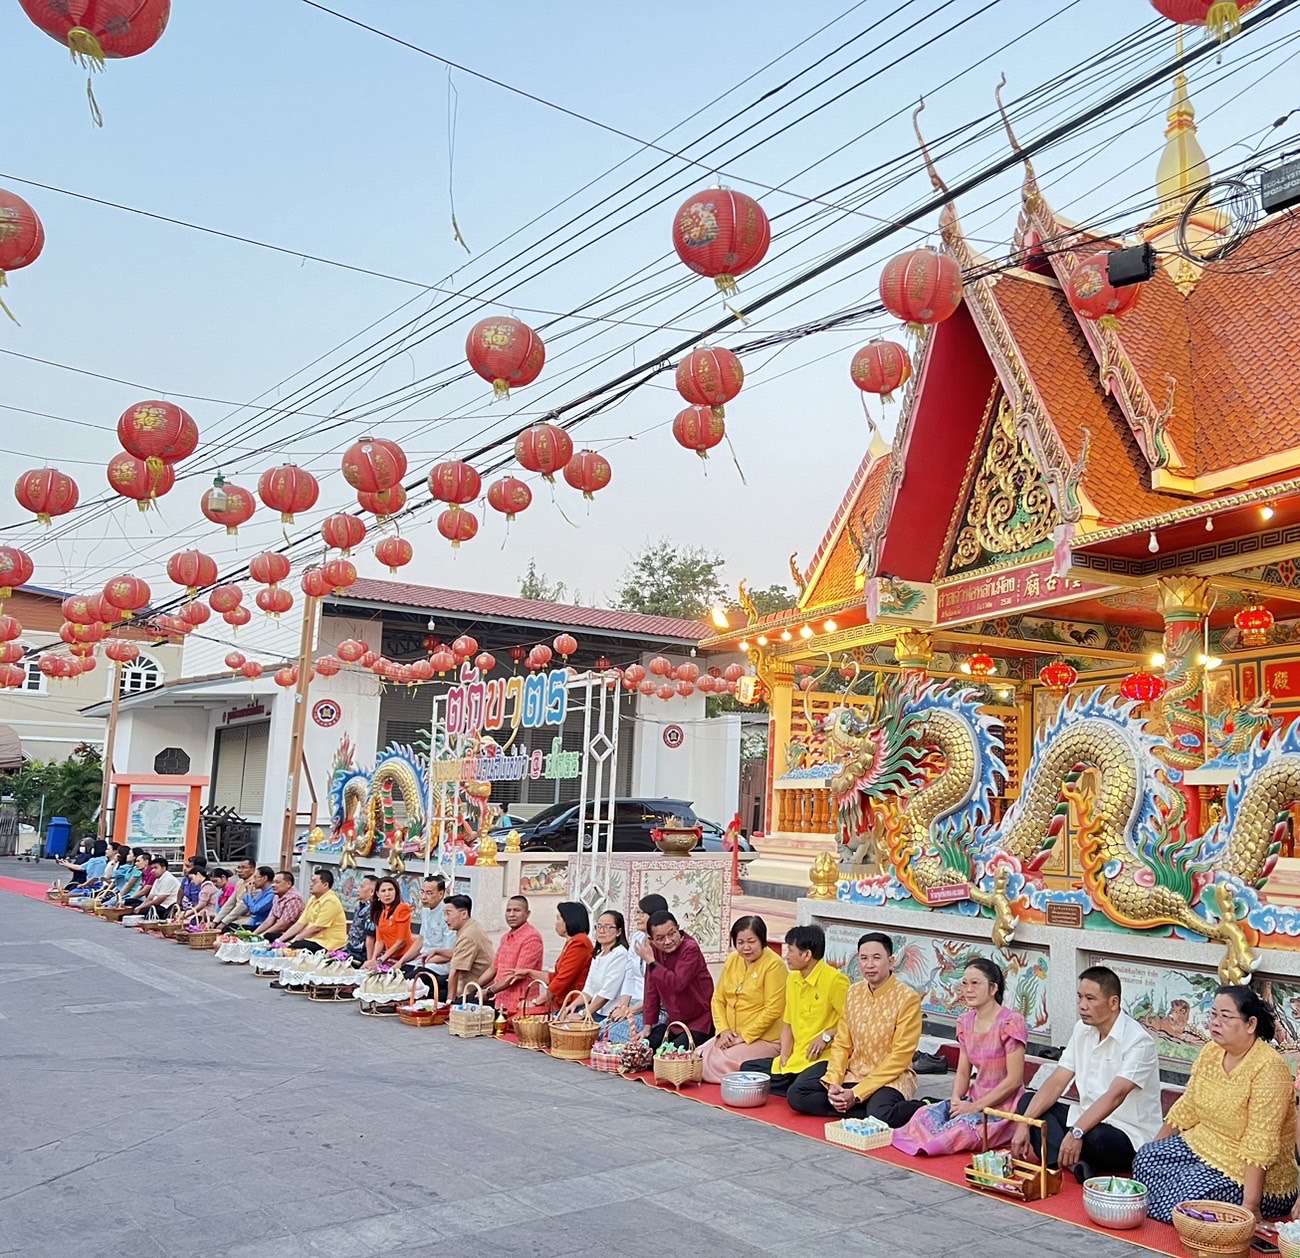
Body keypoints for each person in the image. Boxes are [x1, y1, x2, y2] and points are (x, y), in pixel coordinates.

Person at [1133, 985, 1297, 1223]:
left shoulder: (1269, 1068)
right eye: (1213, 1015)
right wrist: (1154, 1149)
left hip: (1248, 1174)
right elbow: (1188, 1105)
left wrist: (1251, 1207)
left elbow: (1260, 1142)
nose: (1215, 1023)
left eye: (1225, 1016)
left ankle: (1180, 1209)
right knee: (1145, 1159)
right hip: (1203, 1144)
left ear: (1251, 1025)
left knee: (1190, 1196)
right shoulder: (1211, 1050)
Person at [1013, 965, 1161, 1180]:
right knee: (1028, 1102)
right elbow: (1057, 1082)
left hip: (1126, 1132)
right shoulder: (1082, 1030)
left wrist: (1077, 1132)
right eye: (1080, 997)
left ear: (1113, 1003)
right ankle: (1071, 1164)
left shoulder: (1138, 1041)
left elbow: (1115, 1096)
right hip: (1085, 1117)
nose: (1082, 1006)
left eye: (1090, 999)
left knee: (1097, 1137)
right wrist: (1024, 1122)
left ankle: (1066, 1154)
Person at [786, 932, 923, 1128]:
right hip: (854, 1070)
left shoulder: (907, 999)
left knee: (882, 1115)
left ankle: (925, 1106)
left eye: (877, 958)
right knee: (797, 1095)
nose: (869, 965)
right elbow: (842, 1043)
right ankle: (854, 1105)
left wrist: (858, 1093)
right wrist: (834, 1082)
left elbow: (900, 1057)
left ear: (891, 961)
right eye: (863, 958)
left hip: (891, 1077)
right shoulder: (853, 992)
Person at [893, 959, 1028, 1155]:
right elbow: (963, 1073)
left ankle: (938, 1140)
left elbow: (1014, 1081)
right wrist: (956, 1100)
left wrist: (975, 1107)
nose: (968, 989)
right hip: (973, 1098)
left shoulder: (1011, 1022)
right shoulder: (965, 1022)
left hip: (1003, 1109)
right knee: (923, 1115)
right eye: (964, 983)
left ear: (993, 988)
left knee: (961, 1129)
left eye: (975, 983)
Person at [741, 924, 850, 1096]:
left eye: (790, 951)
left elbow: (852, 1022)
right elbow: (788, 1024)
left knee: (797, 1094)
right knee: (747, 1069)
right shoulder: (792, 979)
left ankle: (801, 1086)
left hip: (823, 1057)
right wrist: (784, 1055)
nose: (786, 957)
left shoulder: (835, 981)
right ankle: (794, 1080)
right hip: (798, 1055)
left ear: (807, 955)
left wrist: (826, 1036)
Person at [699, 915, 786, 1083]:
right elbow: (718, 999)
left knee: (717, 1062)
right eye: (740, 942)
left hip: (765, 1039)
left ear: (762, 940)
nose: (746, 948)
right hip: (731, 1034)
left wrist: (744, 1036)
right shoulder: (733, 959)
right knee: (698, 1055)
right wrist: (723, 1030)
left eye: (751, 941)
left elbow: (773, 1010)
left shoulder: (774, 965)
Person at [641, 909, 714, 1050]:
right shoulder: (653, 951)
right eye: (660, 938)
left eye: (672, 933)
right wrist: (648, 1025)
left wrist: (652, 963)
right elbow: (651, 988)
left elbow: (678, 983)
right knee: (645, 1050)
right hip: (674, 1023)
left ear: (678, 929)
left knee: (669, 1057)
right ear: (652, 940)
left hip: (701, 1022)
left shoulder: (690, 949)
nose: (668, 941)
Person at [604, 894, 668, 1044]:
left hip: (653, 1008)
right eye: (637, 913)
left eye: (641, 913)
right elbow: (630, 976)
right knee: (601, 1030)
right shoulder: (637, 938)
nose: (637, 917)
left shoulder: (662, 945)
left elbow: (659, 994)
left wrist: (630, 1012)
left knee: (617, 1034)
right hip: (633, 1003)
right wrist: (623, 1006)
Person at [516, 902, 594, 1010]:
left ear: (568, 921)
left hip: (573, 1004)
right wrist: (529, 972)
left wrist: (536, 1002)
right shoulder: (572, 942)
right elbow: (556, 976)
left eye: (558, 919)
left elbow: (562, 980)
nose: (556, 924)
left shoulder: (580, 943)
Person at [481, 895, 545, 1017]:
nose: (511, 914)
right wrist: (474, 988)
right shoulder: (506, 937)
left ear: (527, 914)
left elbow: (516, 975)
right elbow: (493, 968)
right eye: (508, 910)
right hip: (499, 1001)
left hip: (519, 1006)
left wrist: (489, 991)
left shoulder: (532, 938)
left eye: (517, 910)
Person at [564, 909, 628, 1022]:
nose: (602, 931)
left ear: (618, 932)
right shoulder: (598, 954)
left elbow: (607, 993)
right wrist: (572, 1006)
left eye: (608, 927)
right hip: (595, 1009)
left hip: (609, 1013)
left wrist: (583, 1014)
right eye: (599, 926)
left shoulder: (620, 954)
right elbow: (589, 989)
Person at [276, 869, 348, 953]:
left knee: (292, 947)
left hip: (327, 943)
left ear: (325, 885)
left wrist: (294, 940)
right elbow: (300, 924)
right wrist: (279, 940)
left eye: (314, 882)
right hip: (313, 939)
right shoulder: (313, 899)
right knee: (273, 938)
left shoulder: (330, 901)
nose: (311, 885)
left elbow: (316, 928)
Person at [408, 876, 455, 998]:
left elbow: (448, 954)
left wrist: (424, 962)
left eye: (429, 893)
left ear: (441, 894)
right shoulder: (426, 910)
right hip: (423, 960)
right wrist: (402, 961)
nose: (423, 897)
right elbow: (421, 939)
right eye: (422, 892)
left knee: (410, 982)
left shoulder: (448, 915)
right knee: (398, 974)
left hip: (439, 965)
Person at [443, 894, 495, 1002]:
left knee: (434, 993)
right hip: (471, 984)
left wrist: (450, 1002)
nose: (445, 919)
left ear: (464, 914)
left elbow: (455, 971)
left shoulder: (468, 936)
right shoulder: (471, 926)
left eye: (448, 914)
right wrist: (436, 952)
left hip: (475, 989)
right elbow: (457, 954)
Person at [368, 876, 422, 970]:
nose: (387, 894)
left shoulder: (402, 909)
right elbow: (379, 941)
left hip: (406, 959)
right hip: (390, 958)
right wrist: (373, 958)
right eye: (383, 891)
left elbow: (401, 941)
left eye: (390, 890)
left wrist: (381, 960)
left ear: (396, 892)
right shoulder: (381, 911)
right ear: (377, 894)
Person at [252, 871, 305, 941]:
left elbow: (283, 925)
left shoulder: (294, 899)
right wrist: (254, 934)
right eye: (273, 882)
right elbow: (271, 918)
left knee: (264, 938)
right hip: (277, 930)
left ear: (288, 884)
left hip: (289, 935)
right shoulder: (278, 895)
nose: (273, 885)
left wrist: (262, 935)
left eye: (277, 882)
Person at [344, 874, 379, 967]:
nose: (358, 889)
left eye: (362, 886)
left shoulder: (373, 910)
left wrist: (370, 961)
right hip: (350, 949)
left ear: (372, 892)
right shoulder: (358, 906)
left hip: (361, 954)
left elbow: (370, 938)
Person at [213, 858, 259, 928]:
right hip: (237, 918)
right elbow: (230, 903)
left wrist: (223, 923)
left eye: (243, 868)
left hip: (248, 918)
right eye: (239, 867)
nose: (240, 871)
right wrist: (215, 921)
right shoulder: (240, 882)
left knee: (226, 928)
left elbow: (242, 906)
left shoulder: (255, 883)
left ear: (253, 869)